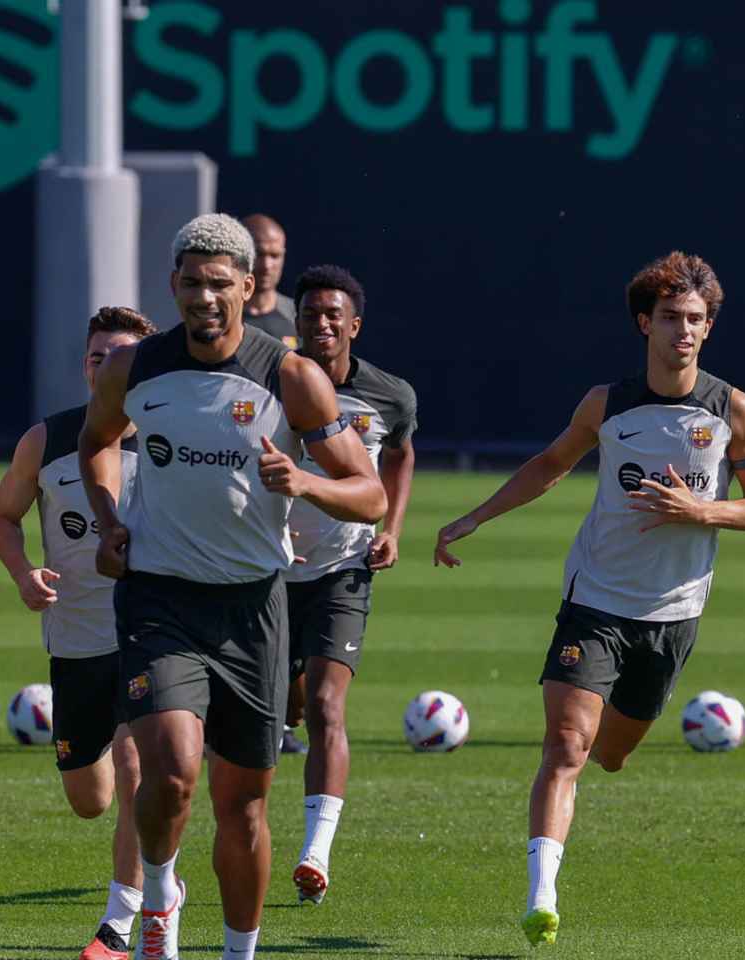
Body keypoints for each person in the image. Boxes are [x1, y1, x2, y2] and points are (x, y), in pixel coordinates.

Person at [433, 251, 745, 947]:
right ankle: (542, 896)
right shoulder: (607, 404)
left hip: (674, 613)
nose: (684, 331)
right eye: (672, 318)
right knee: (565, 745)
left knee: (611, 754)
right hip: (595, 602)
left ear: (709, 329)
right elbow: (550, 466)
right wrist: (474, 515)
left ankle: (576, 812)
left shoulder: (733, 409)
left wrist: (700, 511)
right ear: (644, 323)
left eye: (696, 321)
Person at [76, 214, 384, 960]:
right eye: (191, 282)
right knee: (174, 770)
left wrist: (304, 481)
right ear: (174, 286)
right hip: (158, 598)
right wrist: (110, 518)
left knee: (242, 805)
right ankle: (158, 898)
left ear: (250, 287)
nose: (205, 297)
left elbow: (369, 495)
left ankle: (239, 953)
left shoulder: (290, 375)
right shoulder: (135, 370)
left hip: (253, 607)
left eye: (221, 283)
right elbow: (94, 447)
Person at [0, 306, 159, 960]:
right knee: (91, 798)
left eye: (121, 355)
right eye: (97, 356)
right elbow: (5, 518)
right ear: (86, 365)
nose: (107, 366)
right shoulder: (47, 439)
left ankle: (125, 916)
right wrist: (22, 572)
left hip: (153, 634)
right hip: (75, 642)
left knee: (140, 766)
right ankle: (155, 854)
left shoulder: (173, 439)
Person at [280, 265, 418, 906]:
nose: (323, 324)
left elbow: (399, 456)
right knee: (285, 706)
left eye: (334, 314)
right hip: (266, 571)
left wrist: (391, 525)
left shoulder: (391, 396)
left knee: (329, 707)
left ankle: (316, 852)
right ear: (297, 322)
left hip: (344, 570)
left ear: (354, 325)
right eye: (311, 314)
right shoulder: (269, 383)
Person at [240, 214, 297, 348]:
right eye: (259, 254)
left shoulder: (299, 317)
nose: (267, 265)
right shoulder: (221, 317)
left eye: (275, 256)